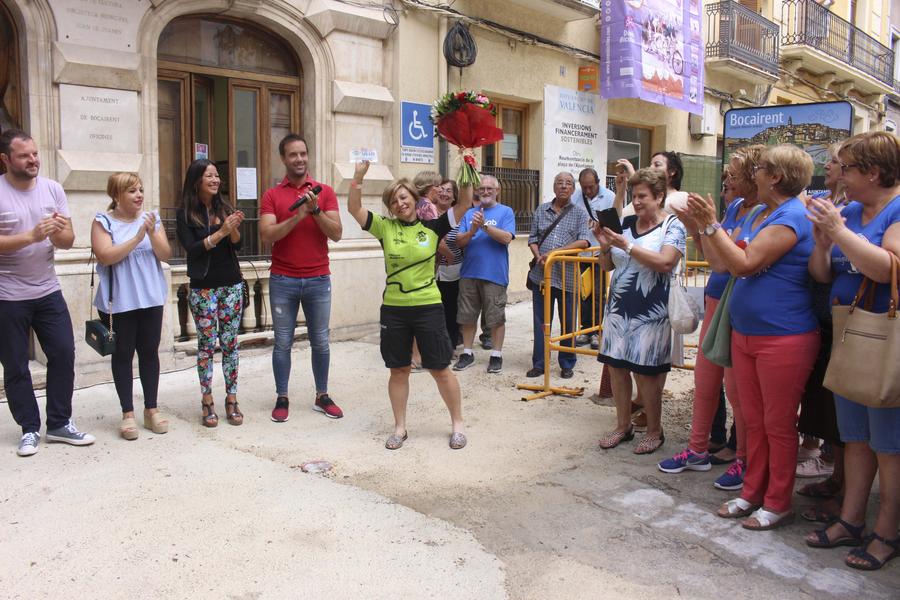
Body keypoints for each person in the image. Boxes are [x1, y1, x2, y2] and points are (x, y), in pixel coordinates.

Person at [688, 144, 818, 531]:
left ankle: (777, 501)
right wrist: (706, 226)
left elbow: (744, 264)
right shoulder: (766, 213)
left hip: (783, 338)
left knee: (777, 424)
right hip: (747, 333)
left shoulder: (792, 216)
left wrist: (710, 224)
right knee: (756, 421)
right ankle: (752, 492)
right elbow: (723, 260)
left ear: (775, 176)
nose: (752, 175)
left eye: (759, 168)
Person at [804, 131, 900, 571]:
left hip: (882, 342)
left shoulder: (897, 209)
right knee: (856, 439)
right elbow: (823, 275)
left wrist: (839, 231)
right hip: (850, 336)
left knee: (889, 445)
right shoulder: (853, 211)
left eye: (848, 168)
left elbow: (886, 268)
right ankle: (850, 520)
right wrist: (825, 243)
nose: (840, 175)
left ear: (874, 172)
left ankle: (886, 532)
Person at [659, 145, 765, 490]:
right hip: (716, 298)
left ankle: (744, 460)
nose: (727, 180)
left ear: (754, 175)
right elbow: (711, 252)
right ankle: (697, 449)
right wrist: (695, 226)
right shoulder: (735, 206)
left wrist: (705, 226)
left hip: (737, 304)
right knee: (704, 381)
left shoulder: (766, 212)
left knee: (737, 391)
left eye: (733, 175)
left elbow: (729, 260)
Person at [346, 161, 471, 450]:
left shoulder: (434, 226)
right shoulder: (385, 227)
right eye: (393, 200)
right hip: (394, 308)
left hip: (429, 306)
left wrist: (467, 166)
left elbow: (465, 201)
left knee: (440, 368)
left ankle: (458, 424)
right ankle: (400, 427)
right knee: (398, 369)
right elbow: (354, 209)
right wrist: (358, 177)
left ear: (415, 199)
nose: (399, 203)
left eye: (403, 197)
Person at [0, 128, 95, 456]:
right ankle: (29, 428)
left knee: (64, 353)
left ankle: (58, 423)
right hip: (7, 294)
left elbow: (68, 239)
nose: (33, 160)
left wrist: (56, 234)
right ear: (6, 159)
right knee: (15, 365)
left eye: (35, 154)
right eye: (24, 155)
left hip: (47, 289)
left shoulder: (53, 189)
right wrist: (31, 235)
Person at [593, 168, 685, 455]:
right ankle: (623, 426)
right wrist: (605, 246)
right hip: (619, 308)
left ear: (659, 196)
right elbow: (608, 266)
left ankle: (655, 431)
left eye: (643, 196)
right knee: (617, 368)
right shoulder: (627, 223)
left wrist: (627, 246)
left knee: (646, 375)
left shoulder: (673, 226)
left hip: (651, 311)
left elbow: (666, 262)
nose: (638, 201)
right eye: (634, 196)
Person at [260, 134, 343, 422]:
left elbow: (336, 233)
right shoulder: (272, 195)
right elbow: (267, 234)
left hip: (318, 279)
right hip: (283, 279)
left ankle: (322, 395)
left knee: (320, 341)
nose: (299, 159)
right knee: (282, 342)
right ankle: (282, 397)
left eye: (303, 154)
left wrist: (316, 209)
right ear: (283, 159)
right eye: (293, 155)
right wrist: (299, 215)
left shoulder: (325, 191)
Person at [92, 173, 171, 439]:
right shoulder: (103, 222)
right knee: (123, 354)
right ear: (116, 196)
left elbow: (165, 254)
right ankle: (127, 413)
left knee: (149, 351)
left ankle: (151, 409)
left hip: (150, 297)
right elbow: (105, 255)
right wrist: (137, 238)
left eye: (140, 189)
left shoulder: (151, 218)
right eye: (131, 191)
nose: (139, 195)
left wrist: (150, 232)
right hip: (119, 301)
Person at [176, 159, 245, 427]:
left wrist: (234, 226)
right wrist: (221, 232)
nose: (215, 180)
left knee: (230, 345)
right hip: (203, 288)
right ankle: (207, 399)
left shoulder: (223, 207)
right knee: (206, 347)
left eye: (217, 176)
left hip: (231, 285)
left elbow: (237, 245)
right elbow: (192, 250)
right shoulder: (185, 214)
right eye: (209, 176)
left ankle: (232, 398)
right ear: (197, 181)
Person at [527, 172, 592, 379]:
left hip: (567, 276)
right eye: (559, 183)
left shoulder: (580, 214)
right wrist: (538, 256)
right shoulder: (541, 210)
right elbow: (532, 238)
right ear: (554, 187)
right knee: (541, 322)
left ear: (573, 189)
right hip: (541, 276)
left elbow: (584, 242)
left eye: (568, 184)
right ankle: (540, 363)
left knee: (568, 322)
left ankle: (566, 362)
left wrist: (555, 254)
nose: (563, 186)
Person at [453, 174, 515, 374]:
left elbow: (506, 238)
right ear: (477, 192)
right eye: (482, 189)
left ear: (497, 191)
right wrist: (472, 230)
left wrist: (486, 226)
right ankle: (468, 353)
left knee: (496, 318)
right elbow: (459, 242)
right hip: (469, 273)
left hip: (495, 275)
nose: (485, 192)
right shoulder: (469, 213)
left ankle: (496, 355)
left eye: (490, 188)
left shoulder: (506, 212)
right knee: (467, 317)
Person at [573, 167, 615, 349]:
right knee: (584, 293)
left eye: (591, 187)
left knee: (598, 293)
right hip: (582, 252)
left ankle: (598, 331)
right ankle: (585, 329)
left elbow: (616, 222)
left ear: (598, 182)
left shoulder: (610, 197)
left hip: (600, 252)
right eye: (584, 188)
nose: (588, 191)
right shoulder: (576, 197)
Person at [435, 179, 463, 347]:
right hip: (429, 269)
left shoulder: (458, 215)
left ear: (454, 197)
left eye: (449, 191)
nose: (444, 193)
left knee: (450, 309)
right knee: (433, 310)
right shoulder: (427, 212)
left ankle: (450, 345)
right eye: (442, 189)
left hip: (452, 269)